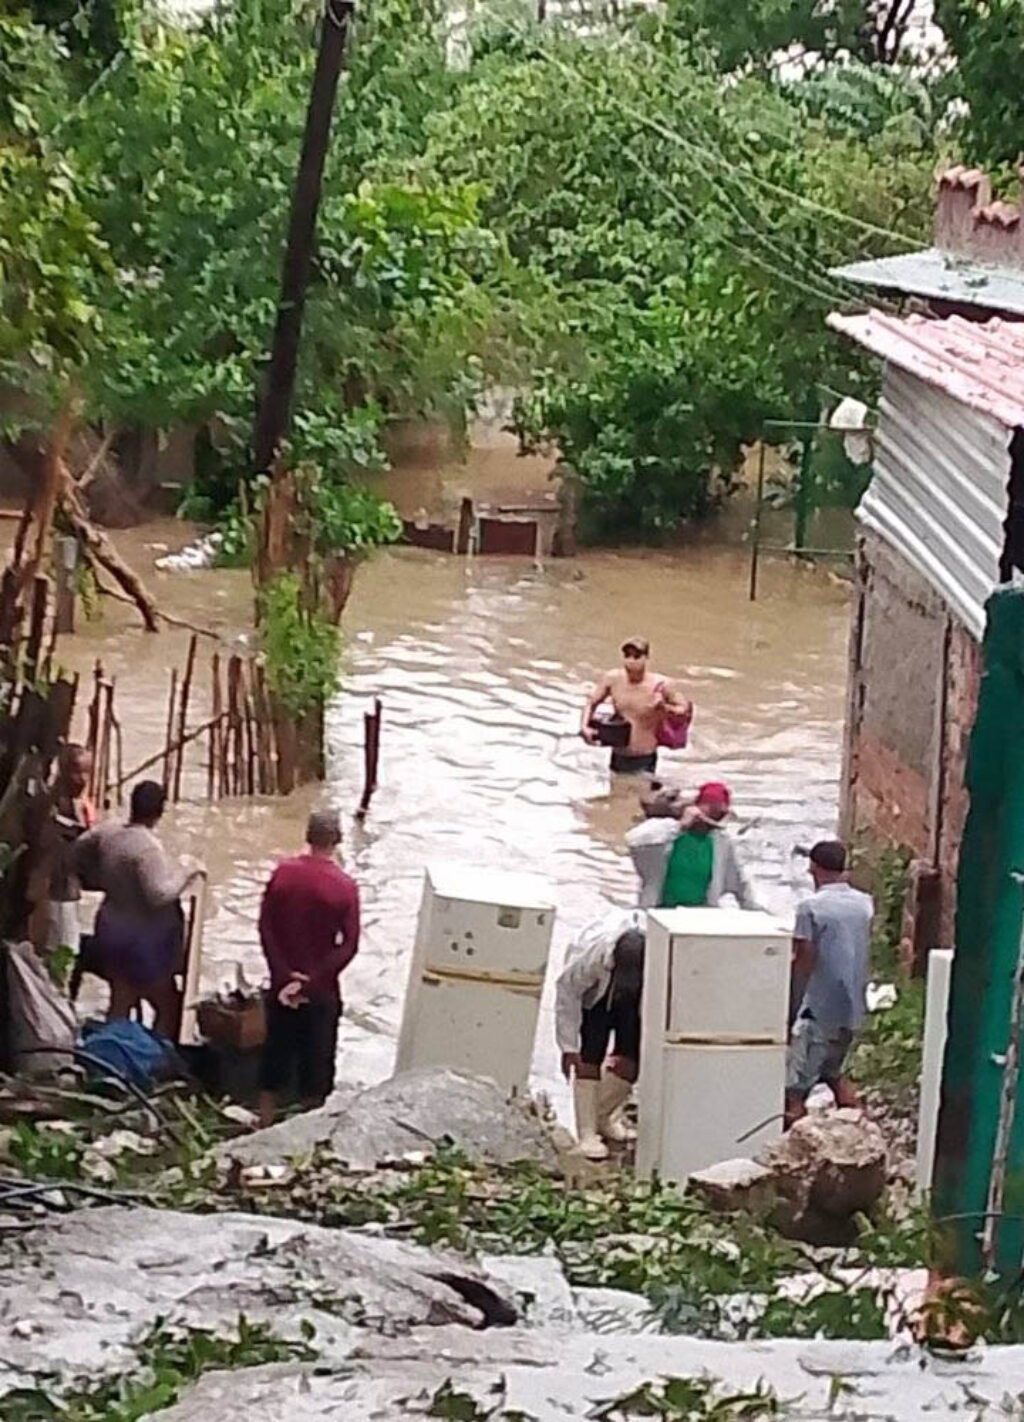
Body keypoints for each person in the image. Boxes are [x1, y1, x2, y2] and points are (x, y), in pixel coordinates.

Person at [75, 779, 204, 1037]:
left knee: (120, 1001)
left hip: (110, 930)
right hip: (140, 944)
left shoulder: (110, 832)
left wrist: (96, 879)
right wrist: (188, 874)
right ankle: (153, 1054)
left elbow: (77, 849)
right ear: (160, 811)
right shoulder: (147, 847)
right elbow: (158, 894)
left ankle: (111, 1051)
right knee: (168, 1005)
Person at [257, 808, 360, 1127]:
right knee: (316, 1068)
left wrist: (283, 975)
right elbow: (349, 945)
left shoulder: (282, 874)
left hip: (281, 985)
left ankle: (264, 1122)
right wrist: (311, 981)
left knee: (274, 1057)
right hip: (321, 991)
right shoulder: (345, 886)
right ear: (337, 839)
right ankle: (308, 1133)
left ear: (308, 836)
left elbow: (265, 927)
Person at [785, 840, 873, 1129]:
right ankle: (860, 1130)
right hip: (853, 1006)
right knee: (833, 1073)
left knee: (795, 1089)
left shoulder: (810, 908)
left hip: (818, 1008)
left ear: (813, 868)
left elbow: (805, 959)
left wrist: (789, 1002)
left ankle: (792, 1143)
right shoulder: (864, 903)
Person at [555, 907, 646, 1160]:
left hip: (634, 1003)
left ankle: (601, 1117)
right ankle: (587, 1134)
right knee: (589, 1055)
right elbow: (567, 992)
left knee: (631, 1061)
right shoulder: (592, 957)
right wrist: (568, 1046)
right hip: (594, 997)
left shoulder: (659, 957)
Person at [626, 781, 758, 910]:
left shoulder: (722, 842)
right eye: (710, 810)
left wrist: (756, 912)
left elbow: (742, 884)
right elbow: (633, 840)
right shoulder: (668, 831)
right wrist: (680, 826)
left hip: (699, 915)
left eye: (718, 814)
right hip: (659, 912)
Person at [581, 637, 691, 776]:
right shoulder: (612, 679)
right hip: (618, 754)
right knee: (616, 788)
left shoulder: (661, 684)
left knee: (640, 789)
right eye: (627, 656)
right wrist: (585, 726)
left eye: (637, 656)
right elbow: (591, 702)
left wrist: (663, 707)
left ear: (646, 658)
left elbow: (684, 711)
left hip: (645, 756)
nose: (631, 661)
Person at [45, 744, 96, 961]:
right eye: (77, 772)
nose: (82, 779)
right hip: (56, 890)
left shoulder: (77, 806)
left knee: (66, 948)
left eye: (87, 773)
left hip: (68, 889)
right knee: (63, 950)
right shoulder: (53, 807)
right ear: (63, 771)